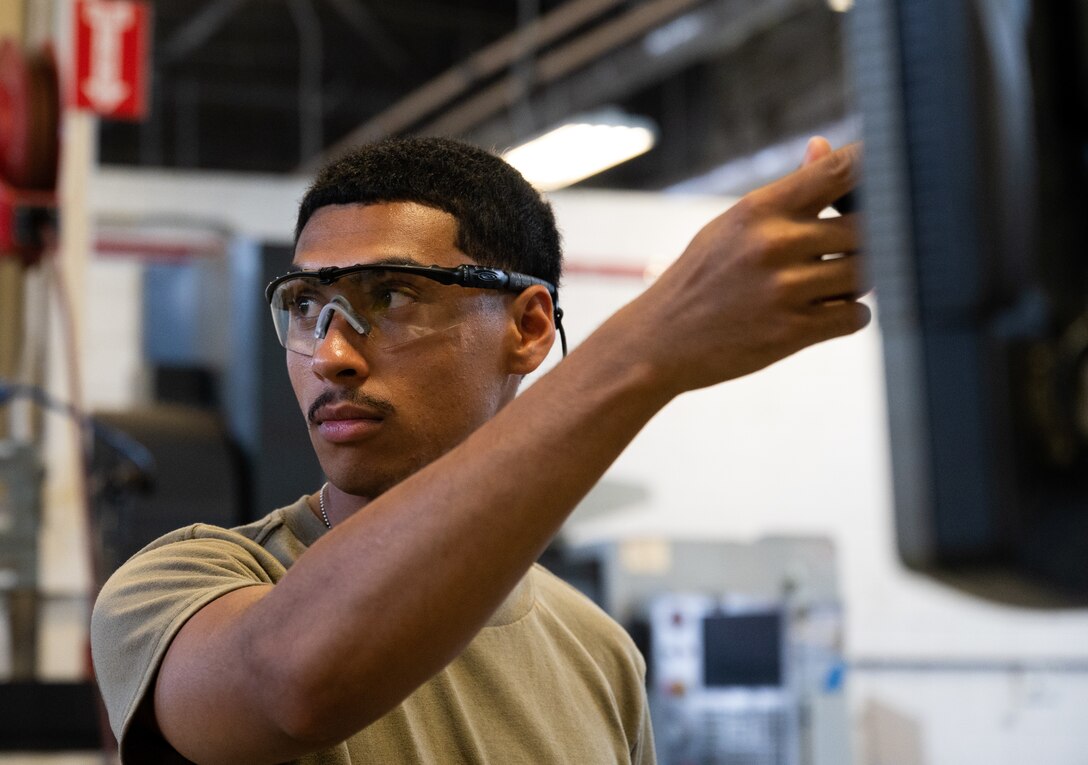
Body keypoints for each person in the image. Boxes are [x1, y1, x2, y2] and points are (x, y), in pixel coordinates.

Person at [90, 134, 869, 764]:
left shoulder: (599, 654)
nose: (331, 355)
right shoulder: (180, 588)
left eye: (388, 296)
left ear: (529, 328)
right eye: (306, 306)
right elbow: (292, 683)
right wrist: (644, 348)